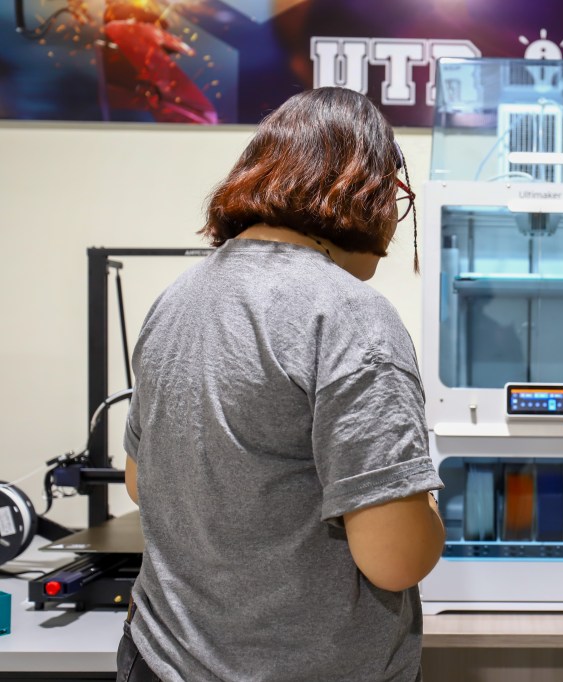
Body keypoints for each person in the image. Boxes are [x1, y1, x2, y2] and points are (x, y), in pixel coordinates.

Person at [118, 87, 446, 682]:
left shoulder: (177, 298)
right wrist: (421, 499)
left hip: (160, 659)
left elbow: (141, 483)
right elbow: (395, 559)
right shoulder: (349, 315)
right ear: (369, 192)